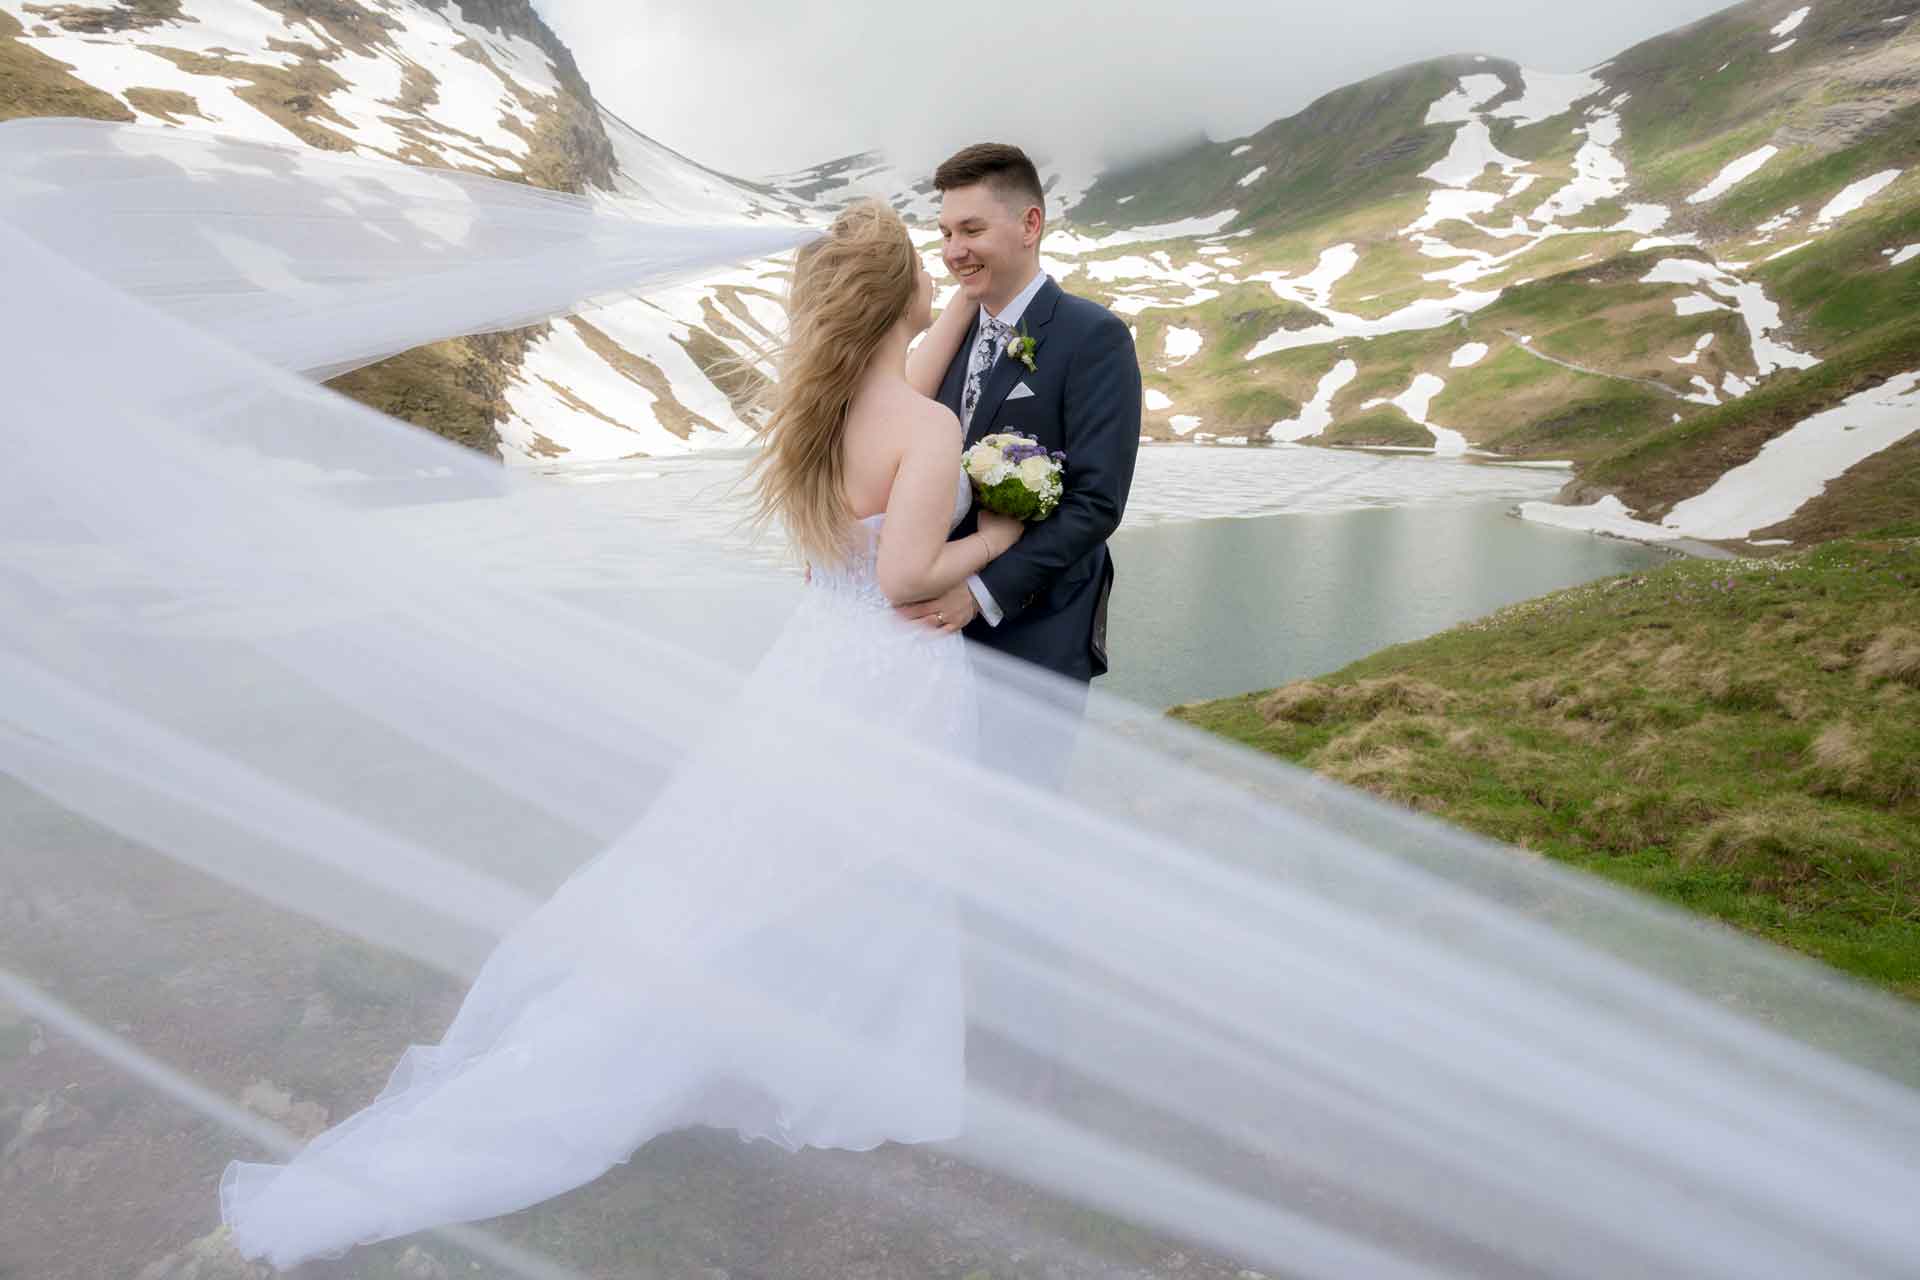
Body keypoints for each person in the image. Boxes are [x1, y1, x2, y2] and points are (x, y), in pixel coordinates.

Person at [219, 198, 1015, 1269]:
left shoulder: (825, 414)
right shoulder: (924, 428)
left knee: (753, 865)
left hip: (813, 667)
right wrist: (1004, 531)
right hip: (894, 676)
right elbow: (907, 574)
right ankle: (835, 1065)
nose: (937, 276)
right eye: (924, 268)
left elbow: (901, 392)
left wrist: (961, 303)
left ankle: (764, 1044)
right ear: (891, 297)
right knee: (879, 867)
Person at [898, 143, 1143, 787]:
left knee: (1015, 826)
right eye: (947, 232)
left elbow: (1096, 504)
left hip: (1038, 634)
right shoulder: (950, 341)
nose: (954, 251)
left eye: (972, 229)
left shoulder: (1094, 338)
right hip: (939, 639)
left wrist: (978, 594)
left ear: (1030, 225)